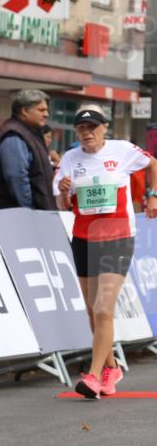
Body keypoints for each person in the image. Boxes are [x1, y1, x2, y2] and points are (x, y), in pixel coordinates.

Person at [54, 107, 157, 398]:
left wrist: (153, 195)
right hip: (84, 238)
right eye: (82, 128)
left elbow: (153, 164)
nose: (87, 132)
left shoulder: (122, 150)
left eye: (93, 127)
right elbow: (62, 204)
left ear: (104, 128)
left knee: (103, 309)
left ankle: (94, 376)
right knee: (92, 311)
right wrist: (64, 191)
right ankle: (112, 368)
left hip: (117, 237)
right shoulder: (70, 159)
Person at [0, 89, 56, 210]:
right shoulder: (14, 135)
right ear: (24, 111)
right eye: (41, 110)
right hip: (18, 214)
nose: (46, 114)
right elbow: (16, 177)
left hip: (33, 212)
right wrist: (29, 209)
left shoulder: (30, 133)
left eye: (46, 110)